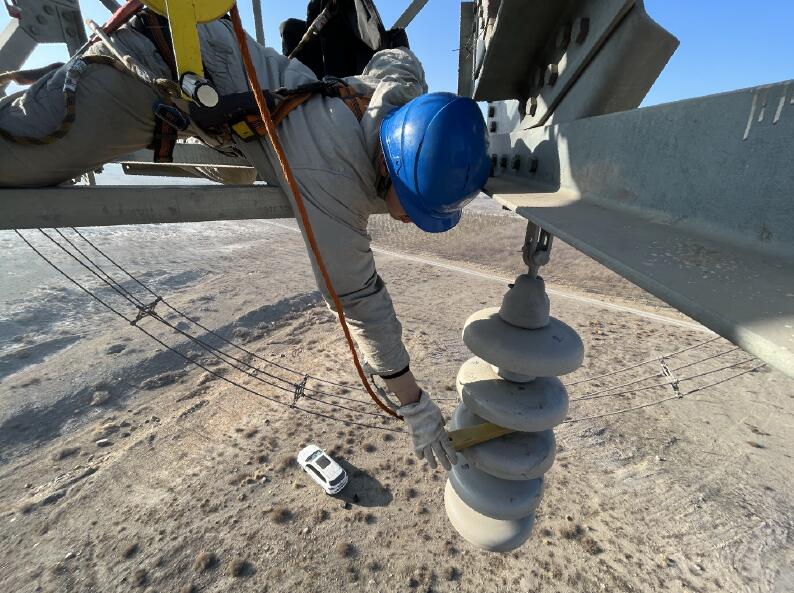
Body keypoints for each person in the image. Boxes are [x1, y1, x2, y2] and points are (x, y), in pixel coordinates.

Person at [0, 2, 491, 471]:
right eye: (414, 207)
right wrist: (414, 404)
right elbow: (361, 302)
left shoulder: (398, 101)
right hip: (144, 74)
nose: (412, 222)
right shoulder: (333, 173)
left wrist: (398, 53)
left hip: (201, 46)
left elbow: (400, 63)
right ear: (389, 165)